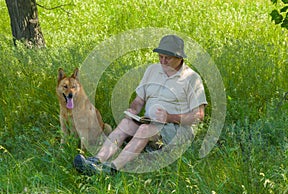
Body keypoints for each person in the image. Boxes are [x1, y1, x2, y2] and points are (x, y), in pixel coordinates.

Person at [73, 35, 207, 175]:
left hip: (176, 128)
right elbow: (139, 100)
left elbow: (199, 116)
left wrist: (169, 117)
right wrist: (133, 109)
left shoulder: (192, 78)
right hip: (151, 122)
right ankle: (96, 160)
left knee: (144, 129)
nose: (163, 61)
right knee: (126, 123)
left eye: (167, 58)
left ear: (179, 57)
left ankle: (111, 168)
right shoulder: (152, 70)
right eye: (160, 57)